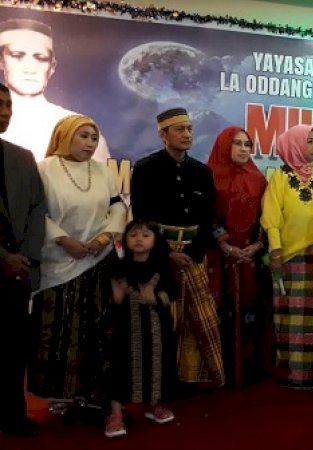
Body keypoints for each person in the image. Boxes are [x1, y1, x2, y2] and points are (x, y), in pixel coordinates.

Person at [28, 114, 126, 414]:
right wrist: (63, 240)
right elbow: (36, 213)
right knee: (58, 329)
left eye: (93, 138)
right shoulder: (44, 170)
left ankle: (90, 392)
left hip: (98, 258)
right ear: (64, 136)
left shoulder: (102, 171)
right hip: (58, 262)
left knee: (96, 330)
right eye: (83, 136)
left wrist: (105, 236)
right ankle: (58, 394)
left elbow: (118, 206)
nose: (90, 143)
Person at [130, 107, 224, 388]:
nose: (186, 135)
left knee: (198, 317)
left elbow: (208, 216)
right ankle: (162, 380)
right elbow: (141, 217)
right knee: (162, 319)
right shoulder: (146, 168)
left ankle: (192, 376)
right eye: (179, 129)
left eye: (189, 129)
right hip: (159, 255)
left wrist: (193, 252)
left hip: (194, 254)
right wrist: (167, 254)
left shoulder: (201, 171)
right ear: (163, 135)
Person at [261, 124, 313, 389]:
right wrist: (276, 250)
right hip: (288, 257)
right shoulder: (279, 177)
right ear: (294, 144)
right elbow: (271, 216)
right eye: (309, 142)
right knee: (289, 317)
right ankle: (292, 374)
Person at [206, 127, 269, 388]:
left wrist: (257, 245)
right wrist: (226, 245)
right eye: (237, 144)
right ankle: (221, 372)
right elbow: (206, 215)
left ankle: (250, 368)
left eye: (248, 144)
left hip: (250, 258)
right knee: (221, 310)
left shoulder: (258, 178)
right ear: (224, 146)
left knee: (251, 310)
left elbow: (266, 218)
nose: (244, 149)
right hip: (220, 257)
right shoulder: (209, 176)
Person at [0, 82, 45, 437]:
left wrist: (24, 256)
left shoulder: (22, 157)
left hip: (16, 273)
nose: (5, 111)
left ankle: (13, 416)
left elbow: (37, 210)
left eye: (8, 105)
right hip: (4, 262)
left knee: (13, 350)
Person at [104, 220, 176, 438]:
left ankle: (155, 405)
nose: (139, 239)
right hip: (126, 329)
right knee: (120, 365)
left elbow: (171, 292)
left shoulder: (162, 266)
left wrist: (154, 297)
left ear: (155, 240)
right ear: (125, 239)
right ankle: (116, 414)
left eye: (145, 235)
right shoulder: (119, 266)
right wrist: (117, 294)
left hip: (156, 329)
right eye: (133, 235)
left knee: (158, 364)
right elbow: (114, 299)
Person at [0, 19, 110, 161]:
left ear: (52, 66)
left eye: (40, 58)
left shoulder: (81, 129)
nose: (29, 67)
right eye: (17, 56)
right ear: (1, 61)